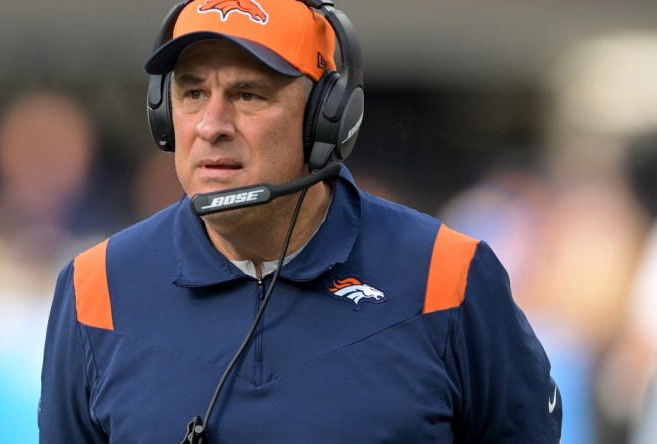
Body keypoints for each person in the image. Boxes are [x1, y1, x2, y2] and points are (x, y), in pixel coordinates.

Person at [39, 1, 563, 442]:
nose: (211, 126)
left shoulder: (448, 276)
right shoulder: (96, 287)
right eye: (193, 93)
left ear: (326, 118)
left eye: (248, 94)